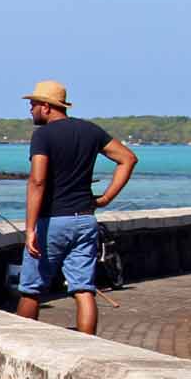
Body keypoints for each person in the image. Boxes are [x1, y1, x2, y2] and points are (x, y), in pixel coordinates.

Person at [14, 79, 137, 335]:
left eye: (34, 104)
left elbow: (37, 180)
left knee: (31, 289)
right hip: (84, 220)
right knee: (83, 289)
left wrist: (29, 229)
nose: (31, 109)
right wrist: (105, 199)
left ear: (47, 107)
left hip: (52, 221)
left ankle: (21, 343)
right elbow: (127, 159)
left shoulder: (43, 135)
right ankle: (88, 345)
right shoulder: (90, 131)